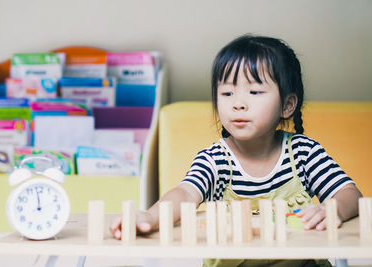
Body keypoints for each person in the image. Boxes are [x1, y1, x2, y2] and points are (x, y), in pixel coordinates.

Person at [110, 35, 362, 266]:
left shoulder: (304, 153)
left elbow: (349, 193)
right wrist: (151, 217)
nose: (238, 104)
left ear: (287, 105)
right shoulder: (215, 160)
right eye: (227, 92)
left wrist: (333, 209)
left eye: (254, 92)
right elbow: (185, 194)